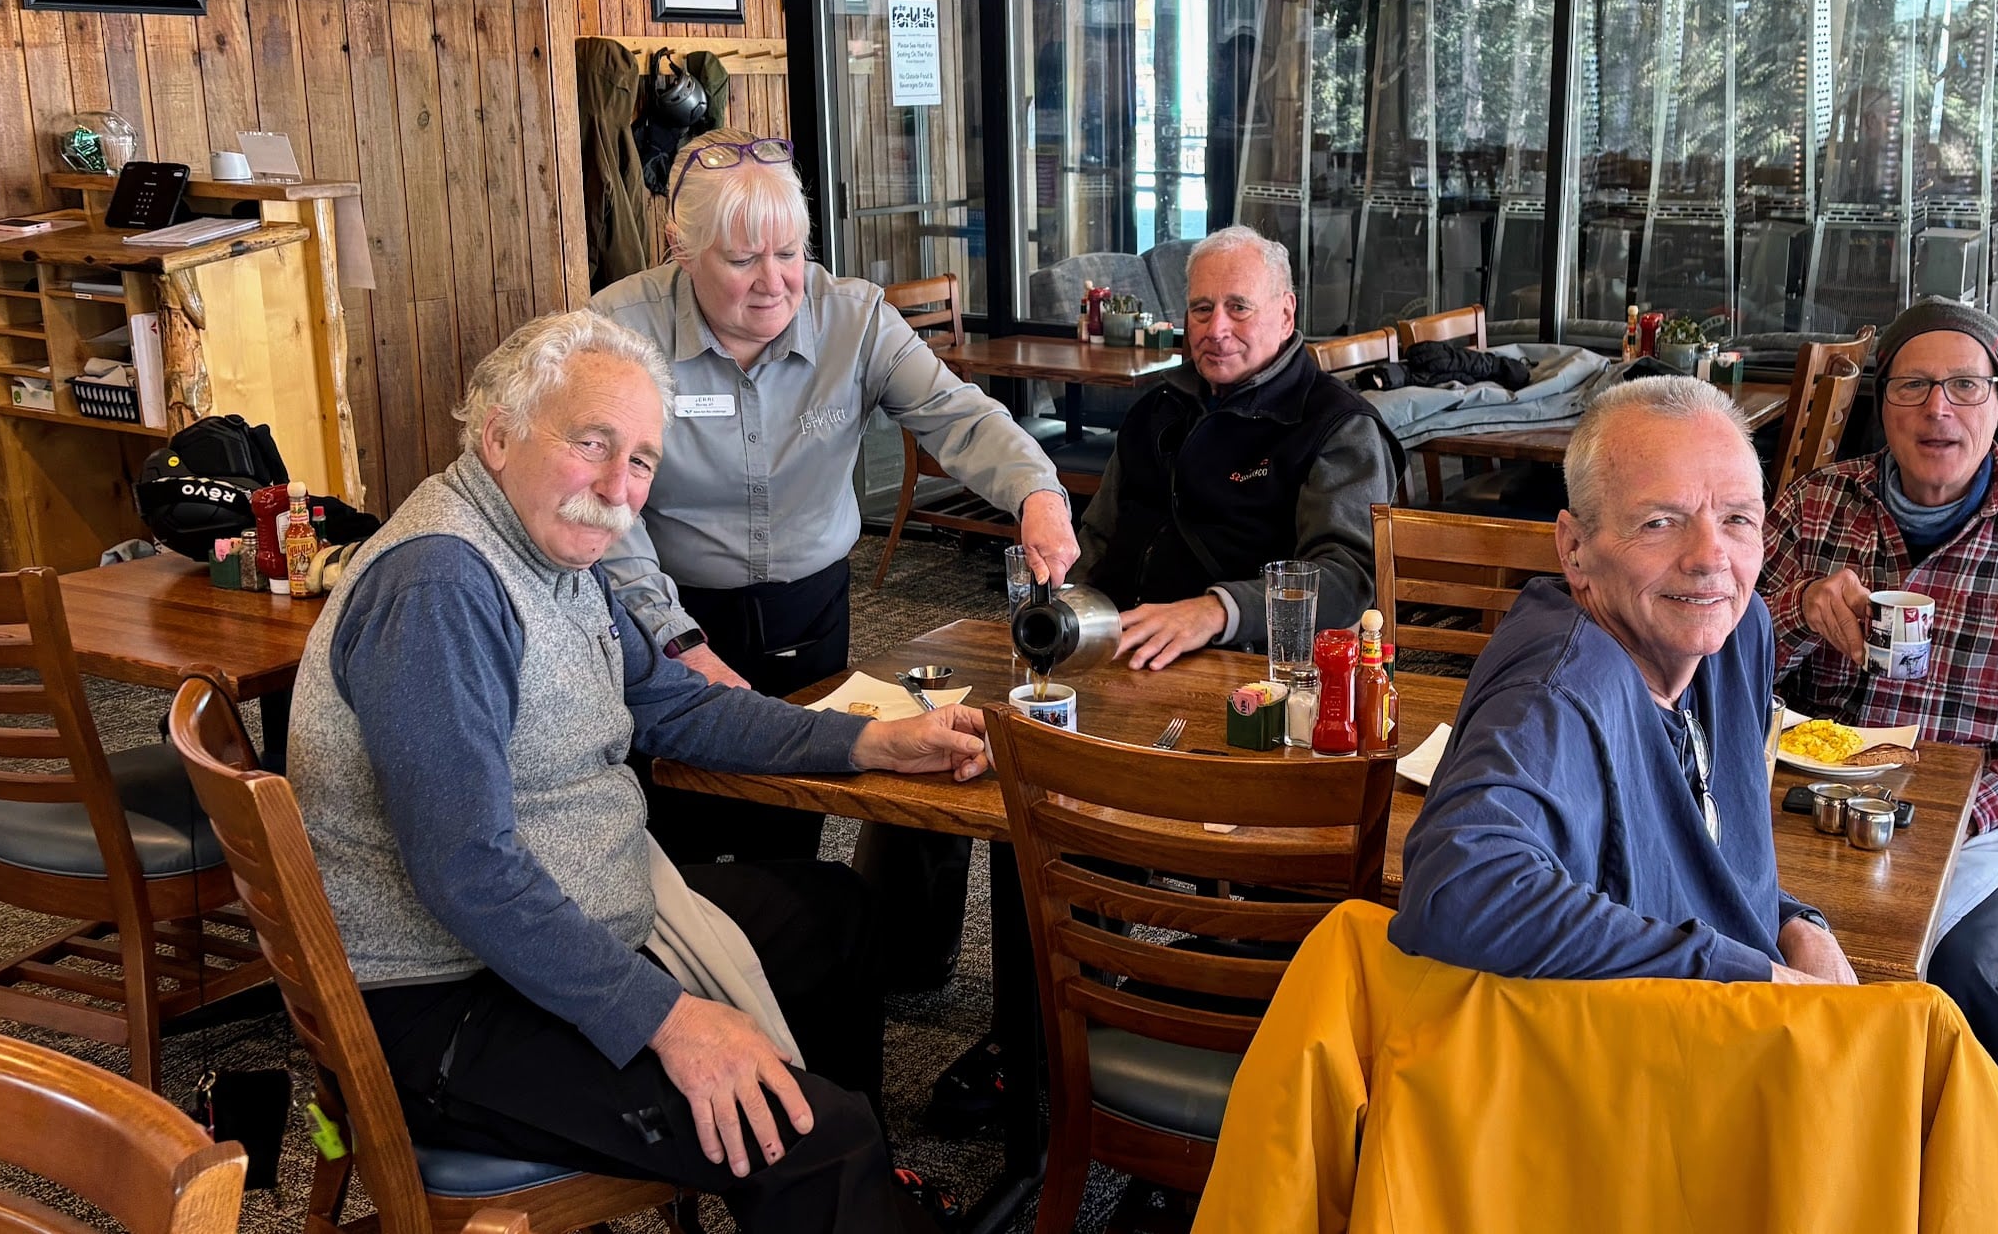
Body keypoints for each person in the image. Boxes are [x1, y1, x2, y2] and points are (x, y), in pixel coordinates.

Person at [287, 310, 989, 1231]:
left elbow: (675, 701)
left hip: (571, 919)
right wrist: (668, 1018)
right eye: (592, 443)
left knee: (835, 917)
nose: (620, 487)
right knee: (815, 1135)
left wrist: (867, 743)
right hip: (440, 1001)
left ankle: (829, 1194)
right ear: (497, 435)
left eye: (644, 461)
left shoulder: (551, 551)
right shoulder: (442, 588)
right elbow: (467, 871)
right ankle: (826, 1173)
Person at [1393, 375, 1998, 1224]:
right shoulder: (1562, 682)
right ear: (1575, 548)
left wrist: (1792, 922)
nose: (1711, 558)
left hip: (1737, 1046)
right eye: (1660, 522)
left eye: (1737, 519)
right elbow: (1456, 888)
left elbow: (1700, 849)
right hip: (1640, 1104)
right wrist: (1752, 973)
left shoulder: (1736, 638)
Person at [591, 130, 1076, 987]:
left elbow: (960, 418)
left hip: (808, 611)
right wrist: (672, 638)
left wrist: (1036, 492)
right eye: (743, 260)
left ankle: (795, 1004)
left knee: (794, 820)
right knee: (681, 834)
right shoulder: (616, 332)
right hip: (664, 617)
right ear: (680, 246)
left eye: (790, 252)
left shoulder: (854, 315)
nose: (775, 281)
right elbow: (606, 510)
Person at [1763, 297, 1998, 1089]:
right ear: (1883, 402)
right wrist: (1796, 612)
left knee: (1952, 975)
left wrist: (1977, 802)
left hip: (1984, 825)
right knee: (1733, 936)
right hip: (1816, 803)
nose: (1939, 409)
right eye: (1914, 385)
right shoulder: (1814, 506)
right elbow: (1712, 660)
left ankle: (1972, 1143)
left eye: (1965, 386)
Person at [1071, 224, 1400, 669]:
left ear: (1286, 315)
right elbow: (1096, 538)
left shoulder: (1337, 426)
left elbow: (1350, 581)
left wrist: (1219, 610)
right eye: (1201, 309)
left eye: (1238, 308)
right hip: (1110, 647)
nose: (1216, 328)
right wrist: (1064, 608)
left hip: (1243, 667)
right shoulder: (1154, 409)